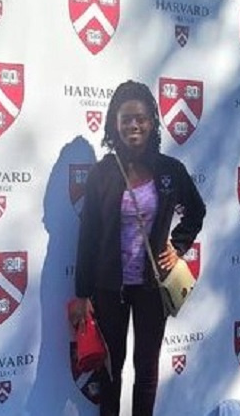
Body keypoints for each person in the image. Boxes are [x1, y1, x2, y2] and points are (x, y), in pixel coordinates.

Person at [70, 80, 206, 416]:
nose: (134, 125)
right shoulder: (102, 174)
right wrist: (83, 294)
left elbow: (196, 211)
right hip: (107, 289)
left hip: (152, 288)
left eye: (141, 118)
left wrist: (178, 246)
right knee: (110, 369)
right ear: (114, 123)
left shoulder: (170, 171)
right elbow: (87, 236)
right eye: (126, 118)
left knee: (146, 370)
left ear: (152, 123)